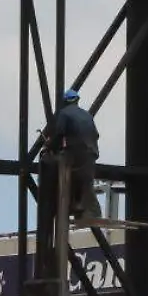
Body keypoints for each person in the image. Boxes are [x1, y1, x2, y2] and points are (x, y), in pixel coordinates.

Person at [45, 89, 101, 220]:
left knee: (67, 177)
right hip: (91, 153)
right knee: (86, 182)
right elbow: (96, 135)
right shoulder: (87, 115)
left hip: (76, 152)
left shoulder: (64, 114)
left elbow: (59, 134)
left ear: (64, 102)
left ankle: (69, 207)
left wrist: (49, 146)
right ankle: (90, 212)